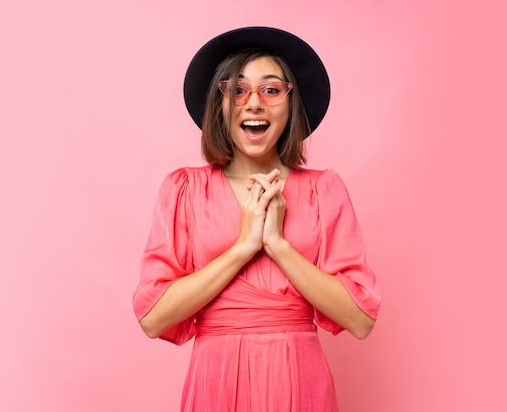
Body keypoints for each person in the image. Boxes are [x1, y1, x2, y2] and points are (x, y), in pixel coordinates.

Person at [133, 26, 381, 412]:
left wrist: (278, 245)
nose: (254, 103)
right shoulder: (184, 188)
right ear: (220, 103)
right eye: (237, 90)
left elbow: (361, 320)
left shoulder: (324, 190)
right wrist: (244, 247)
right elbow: (152, 319)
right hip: (215, 380)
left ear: (290, 101)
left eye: (270, 89)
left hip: (301, 381)